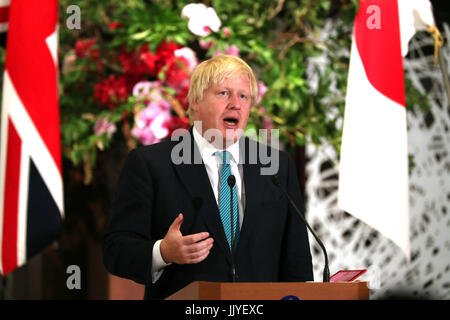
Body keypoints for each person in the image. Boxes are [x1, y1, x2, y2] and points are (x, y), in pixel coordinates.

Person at [101, 55, 313, 300]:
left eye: (243, 96)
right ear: (195, 102)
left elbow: (296, 261)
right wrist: (163, 252)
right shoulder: (151, 164)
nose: (236, 104)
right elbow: (115, 249)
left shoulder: (276, 165)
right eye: (224, 93)